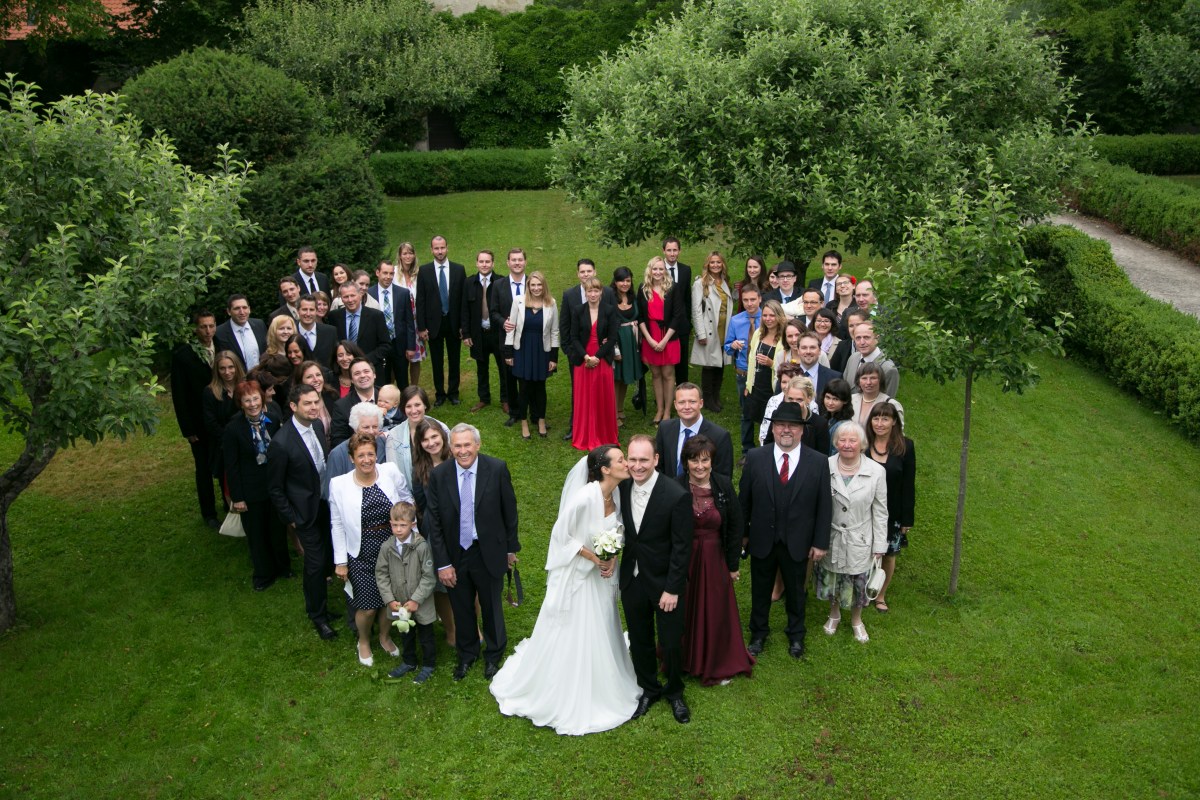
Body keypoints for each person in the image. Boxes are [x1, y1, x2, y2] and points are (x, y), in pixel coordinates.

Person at [490, 446, 640, 735]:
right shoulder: (585, 497)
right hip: (579, 575)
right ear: (606, 469)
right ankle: (567, 687)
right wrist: (596, 558)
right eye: (621, 459)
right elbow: (561, 536)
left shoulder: (617, 493)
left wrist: (612, 557)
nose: (627, 463)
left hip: (602, 575)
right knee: (578, 626)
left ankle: (604, 678)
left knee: (603, 622)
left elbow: (616, 530)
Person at [424, 424, 521, 681]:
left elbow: (509, 512)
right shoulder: (440, 475)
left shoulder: (497, 469)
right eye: (457, 445)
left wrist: (511, 549)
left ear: (477, 445)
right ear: (450, 447)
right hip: (456, 554)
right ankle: (467, 654)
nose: (463, 450)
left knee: (491, 606)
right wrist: (443, 563)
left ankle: (494, 653)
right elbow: (434, 521)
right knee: (461, 607)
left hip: (488, 551)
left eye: (468, 445)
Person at [740, 401, 832, 659]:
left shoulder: (818, 462)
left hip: (798, 541)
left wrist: (820, 542)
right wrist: (742, 535)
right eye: (781, 425)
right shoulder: (756, 458)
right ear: (773, 429)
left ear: (802, 430)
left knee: (796, 591)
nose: (786, 430)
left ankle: (796, 635)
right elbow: (743, 500)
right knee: (760, 589)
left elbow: (824, 506)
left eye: (792, 425)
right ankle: (758, 634)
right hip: (761, 539)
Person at [619, 435, 694, 724]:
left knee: (671, 642)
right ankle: (649, 688)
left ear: (656, 460)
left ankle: (675, 691)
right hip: (633, 579)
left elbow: (682, 546)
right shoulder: (622, 487)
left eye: (643, 460)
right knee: (639, 639)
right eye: (633, 459)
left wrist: (672, 589)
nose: (637, 466)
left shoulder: (676, 495)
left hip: (665, 584)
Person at [330, 432, 414, 667]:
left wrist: (410, 524)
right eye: (361, 455)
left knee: (392, 601)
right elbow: (336, 524)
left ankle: (385, 636)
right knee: (367, 607)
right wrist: (340, 561)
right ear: (351, 458)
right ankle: (364, 640)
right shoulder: (339, 485)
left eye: (371, 454)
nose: (367, 459)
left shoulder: (390, 472)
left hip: (392, 548)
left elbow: (407, 498)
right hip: (361, 552)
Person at [676, 435, 753, 686]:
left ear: (712, 462)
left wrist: (732, 565)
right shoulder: (675, 486)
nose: (700, 466)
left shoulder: (723, 485)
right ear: (686, 462)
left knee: (715, 609)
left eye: (705, 460)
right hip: (686, 559)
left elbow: (735, 526)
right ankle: (687, 658)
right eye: (694, 460)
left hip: (715, 557)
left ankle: (716, 660)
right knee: (685, 607)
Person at [267, 384, 336, 640]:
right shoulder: (281, 443)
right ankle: (317, 616)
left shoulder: (317, 426)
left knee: (327, 557)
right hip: (302, 513)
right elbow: (274, 488)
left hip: (324, 505)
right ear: (293, 407)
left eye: (316, 402)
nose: (314, 407)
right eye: (307, 403)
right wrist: (291, 519)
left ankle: (325, 608)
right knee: (315, 564)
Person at [816, 421, 888, 644]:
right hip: (832, 536)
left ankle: (857, 620)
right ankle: (834, 614)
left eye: (852, 440)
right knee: (834, 579)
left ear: (862, 444)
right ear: (835, 442)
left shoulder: (876, 471)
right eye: (842, 440)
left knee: (858, 582)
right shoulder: (823, 466)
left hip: (860, 538)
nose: (847, 445)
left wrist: (879, 546)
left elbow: (880, 511)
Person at [223, 380, 290, 591]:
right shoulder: (233, 429)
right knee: (257, 534)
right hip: (250, 490)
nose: (252, 404)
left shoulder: (273, 419)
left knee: (277, 530)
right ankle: (263, 574)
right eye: (247, 400)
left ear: (262, 399)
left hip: (274, 485)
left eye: (255, 399)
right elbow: (231, 466)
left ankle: (283, 567)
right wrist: (238, 497)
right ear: (240, 403)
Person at [407, 417, 459, 647]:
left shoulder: (459, 459)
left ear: (443, 436)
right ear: (420, 444)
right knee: (440, 586)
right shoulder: (420, 470)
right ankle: (451, 630)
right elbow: (420, 504)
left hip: (461, 530)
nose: (431, 443)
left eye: (434, 437)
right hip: (435, 533)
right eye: (425, 440)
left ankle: (473, 626)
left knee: (468, 582)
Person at [377, 501, 437, 685]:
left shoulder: (422, 547)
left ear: (412, 525)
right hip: (398, 602)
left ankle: (429, 664)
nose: (398, 529)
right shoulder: (387, 548)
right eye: (394, 525)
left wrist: (416, 599)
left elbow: (429, 577)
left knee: (426, 634)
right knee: (405, 634)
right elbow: (381, 574)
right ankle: (409, 661)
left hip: (421, 602)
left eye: (402, 525)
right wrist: (389, 600)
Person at [865, 402, 915, 614]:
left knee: (888, 555)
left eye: (885, 418)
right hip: (865, 511)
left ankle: (880, 594)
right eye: (876, 418)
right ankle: (863, 591)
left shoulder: (906, 446)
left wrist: (906, 520)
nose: (880, 423)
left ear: (894, 421)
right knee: (865, 552)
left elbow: (908, 484)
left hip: (892, 513)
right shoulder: (863, 444)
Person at [171, 310, 219, 528]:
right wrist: (188, 429)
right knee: (203, 468)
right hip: (199, 423)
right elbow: (179, 395)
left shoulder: (223, 346)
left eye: (211, 326)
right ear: (196, 329)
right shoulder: (183, 356)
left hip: (221, 418)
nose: (208, 331)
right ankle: (208, 512)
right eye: (203, 327)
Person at [559, 259, 616, 441]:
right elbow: (565, 327)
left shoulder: (607, 293)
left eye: (589, 271)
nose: (586, 274)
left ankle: (601, 429)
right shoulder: (570, 295)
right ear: (578, 274)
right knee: (580, 393)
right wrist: (573, 352)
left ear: (594, 272)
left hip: (601, 354)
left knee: (601, 393)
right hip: (579, 354)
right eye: (582, 271)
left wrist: (599, 354)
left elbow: (612, 328)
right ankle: (576, 427)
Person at [504, 271, 559, 441]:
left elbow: (554, 331)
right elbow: (511, 327)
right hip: (522, 350)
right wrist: (508, 352)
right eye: (533, 285)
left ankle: (541, 421)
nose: (536, 288)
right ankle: (524, 422)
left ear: (544, 286)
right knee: (525, 388)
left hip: (542, 351)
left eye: (539, 285)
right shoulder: (519, 301)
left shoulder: (551, 303)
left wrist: (553, 358)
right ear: (528, 286)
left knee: (540, 388)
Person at [568, 277, 620, 451]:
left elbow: (613, 337)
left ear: (601, 292)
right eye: (589, 291)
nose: (592, 294)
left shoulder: (610, 310)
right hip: (583, 361)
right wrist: (586, 357)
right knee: (585, 398)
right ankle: (585, 435)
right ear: (585, 292)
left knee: (602, 397)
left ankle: (605, 435)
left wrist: (597, 356)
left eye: (596, 290)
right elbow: (573, 337)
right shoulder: (577, 310)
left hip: (602, 358)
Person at [416, 235, 467, 407]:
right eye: (436, 248)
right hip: (433, 325)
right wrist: (421, 327)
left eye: (442, 247)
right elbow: (420, 300)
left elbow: (462, 301)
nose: (440, 251)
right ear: (431, 250)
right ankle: (440, 394)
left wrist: (462, 325)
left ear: (447, 248)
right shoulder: (424, 271)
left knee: (454, 360)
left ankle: (453, 393)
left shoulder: (459, 270)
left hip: (453, 323)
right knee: (437, 361)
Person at [638, 256, 686, 425]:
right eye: (655, 269)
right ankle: (659, 409)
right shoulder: (643, 289)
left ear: (665, 270)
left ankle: (667, 411)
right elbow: (640, 317)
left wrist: (664, 340)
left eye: (661, 269)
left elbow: (677, 315)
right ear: (649, 270)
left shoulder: (672, 288)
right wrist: (649, 339)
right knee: (656, 374)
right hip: (650, 335)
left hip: (668, 336)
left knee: (668, 374)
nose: (658, 272)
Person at [654, 382, 735, 479]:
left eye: (692, 402)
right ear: (675, 405)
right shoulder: (665, 429)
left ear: (701, 403)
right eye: (681, 402)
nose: (687, 407)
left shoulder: (720, 436)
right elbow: (657, 466)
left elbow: (723, 477)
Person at [462, 249, 505, 413]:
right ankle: (484, 398)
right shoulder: (469, 282)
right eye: (481, 261)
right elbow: (464, 309)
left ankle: (505, 399)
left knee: (503, 368)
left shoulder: (501, 281)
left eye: (488, 262)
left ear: (493, 263)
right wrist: (466, 333)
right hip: (478, 333)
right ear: (477, 263)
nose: (484, 265)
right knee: (481, 367)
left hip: (497, 333)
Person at [690, 251, 734, 413]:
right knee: (709, 365)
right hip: (709, 329)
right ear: (707, 264)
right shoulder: (700, 283)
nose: (715, 265)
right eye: (712, 262)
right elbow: (696, 310)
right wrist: (700, 333)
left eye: (718, 262)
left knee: (720, 363)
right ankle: (707, 399)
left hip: (724, 327)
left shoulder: (724, 282)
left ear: (723, 264)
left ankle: (716, 396)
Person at [492, 248, 531, 425]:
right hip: (506, 338)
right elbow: (493, 312)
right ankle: (514, 412)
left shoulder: (533, 282)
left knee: (529, 375)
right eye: (513, 260)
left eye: (520, 260)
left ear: (525, 262)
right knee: (509, 375)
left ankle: (532, 410)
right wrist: (502, 322)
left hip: (530, 338)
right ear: (508, 263)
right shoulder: (499, 285)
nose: (517, 263)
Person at [384, 385, 450, 488]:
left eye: (417, 405)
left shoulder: (442, 428)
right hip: (410, 495)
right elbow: (394, 475)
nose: (414, 410)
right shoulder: (394, 437)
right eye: (408, 406)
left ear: (425, 405)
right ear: (403, 408)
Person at [724, 283, 762, 462]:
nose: (749, 304)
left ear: (760, 299)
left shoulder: (769, 318)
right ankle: (747, 451)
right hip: (743, 373)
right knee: (746, 413)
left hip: (762, 372)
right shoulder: (736, 320)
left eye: (753, 299)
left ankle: (766, 448)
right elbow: (727, 347)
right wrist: (732, 346)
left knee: (764, 413)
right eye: (745, 300)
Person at [326, 282, 392, 385]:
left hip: (370, 371)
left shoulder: (376, 316)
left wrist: (364, 361)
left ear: (360, 295)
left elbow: (385, 345)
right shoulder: (334, 317)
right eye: (346, 297)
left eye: (353, 295)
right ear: (341, 299)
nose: (350, 300)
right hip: (343, 375)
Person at [742, 299, 787, 442]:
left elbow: (786, 366)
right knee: (748, 416)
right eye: (765, 315)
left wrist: (771, 363)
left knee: (769, 421)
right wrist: (748, 384)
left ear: (779, 316)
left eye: (772, 315)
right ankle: (747, 449)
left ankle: (768, 447)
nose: (768, 319)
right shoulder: (758, 333)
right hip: (756, 385)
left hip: (771, 386)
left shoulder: (784, 338)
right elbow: (751, 359)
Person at [202, 350, 245, 495]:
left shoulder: (245, 388)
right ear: (217, 370)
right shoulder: (210, 392)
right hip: (224, 444)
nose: (227, 372)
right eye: (222, 368)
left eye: (231, 367)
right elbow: (210, 423)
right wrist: (230, 440)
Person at [368, 259, 416, 388]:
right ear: (377, 273)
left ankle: (404, 406)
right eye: (385, 273)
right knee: (383, 380)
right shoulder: (369, 294)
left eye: (391, 273)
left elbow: (409, 321)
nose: (388, 277)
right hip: (379, 344)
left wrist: (411, 346)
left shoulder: (403, 293)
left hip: (399, 343)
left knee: (402, 380)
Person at [610, 267, 644, 424]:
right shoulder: (609, 299)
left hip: (631, 341)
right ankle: (613, 414)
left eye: (628, 280)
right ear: (615, 282)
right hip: (617, 340)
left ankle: (620, 408)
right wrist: (614, 348)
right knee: (616, 378)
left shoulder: (633, 298)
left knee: (625, 378)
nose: (625, 283)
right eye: (621, 280)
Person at [662, 237, 692, 388]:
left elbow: (688, 298)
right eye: (669, 250)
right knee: (665, 362)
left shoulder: (686, 270)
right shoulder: (658, 270)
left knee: (682, 361)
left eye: (675, 250)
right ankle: (665, 394)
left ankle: (682, 392)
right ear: (664, 251)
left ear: (679, 251)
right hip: (664, 325)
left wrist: (688, 321)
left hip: (682, 325)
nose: (672, 254)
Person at [394, 242, 424, 387]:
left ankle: (414, 388)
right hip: (399, 321)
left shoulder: (418, 274)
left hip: (416, 321)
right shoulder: (393, 274)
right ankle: (393, 388)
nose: (408, 256)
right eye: (405, 253)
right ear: (400, 255)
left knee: (415, 359)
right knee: (398, 357)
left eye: (410, 253)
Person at [330, 357, 378, 447]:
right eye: (357, 373)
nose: (362, 375)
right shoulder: (341, 406)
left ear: (374, 374)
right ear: (351, 380)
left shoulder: (386, 396)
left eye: (366, 371)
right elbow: (338, 440)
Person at [844, 321, 900, 397]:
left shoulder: (888, 368)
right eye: (858, 338)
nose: (862, 342)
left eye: (866, 337)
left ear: (877, 338)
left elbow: (886, 404)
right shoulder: (853, 358)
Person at [213, 294, 266, 372]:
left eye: (244, 307)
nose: (242, 312)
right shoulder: (219, 332)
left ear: (249, 309)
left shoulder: (259, 325)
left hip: (261, 377)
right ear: (229, 311)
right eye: (237, 308)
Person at [851, 362, 905, 428]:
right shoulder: (850, 400)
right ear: (858, 381)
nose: (868, 382)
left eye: (873, 378)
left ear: (880, 380)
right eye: (864, 378)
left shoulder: (892, 405)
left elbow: (898, 434)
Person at [295, 360, 337, 440]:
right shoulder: (296, 404)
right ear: (301, 381)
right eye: (309, 377)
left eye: (318, 375)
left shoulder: (332, 395)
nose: (316, 379)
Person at [819, 378, 855, 455]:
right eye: (828, 397)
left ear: (845, 401)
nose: (830, 402)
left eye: (835, 399)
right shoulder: (827, 418)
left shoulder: (844, 426)